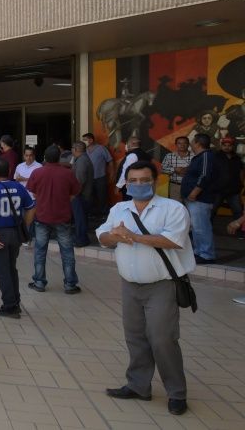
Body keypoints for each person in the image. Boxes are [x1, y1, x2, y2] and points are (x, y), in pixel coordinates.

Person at [97, 161, 194, 417]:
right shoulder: (120, 208)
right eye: (134, 181)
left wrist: (134, 236)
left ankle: (177, 393)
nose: (139, 185)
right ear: (126, 183)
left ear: (155, 180)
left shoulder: (173, 208)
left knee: (163, 340)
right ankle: (138, 385)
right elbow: (103, 236)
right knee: (135, 336)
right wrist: (114, 236)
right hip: (129, 285)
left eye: (144, 180)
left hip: (162, 285)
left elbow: (174, 240)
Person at [0, 159, 35, 318]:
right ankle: (15, 302)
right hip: (15, 233)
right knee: (11, 268)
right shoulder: (18, 187)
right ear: (9, 171)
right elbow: (32, 208)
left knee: (2, 270)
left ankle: (9, 306)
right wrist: (24, 224)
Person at [26, 146, 82, 293]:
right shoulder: (68, 173)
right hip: (63, 217)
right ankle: (70, 284)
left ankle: (39, 282)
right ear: (59, 158)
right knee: (67, 251)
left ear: (44, 157)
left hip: (42, 216)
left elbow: (32, 192)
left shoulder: (37, 172)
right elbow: (75, 192)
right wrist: (64, 200)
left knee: (40, 251)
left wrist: (43, 199)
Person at [182, 133, 218, 264]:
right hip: (194, 199)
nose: (190, 143)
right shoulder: (199, 157)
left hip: (200, 199)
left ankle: (207, 254)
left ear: (197, 143)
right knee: (197, 227)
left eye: (192, 141)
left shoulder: (206, 156)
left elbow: (205, 175)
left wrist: (194, 192)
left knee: (201, 227)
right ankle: (199, 251)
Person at [83, 132, 113, 217]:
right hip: (88, 179)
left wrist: (112, 173)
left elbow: (110, 161)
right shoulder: (83, 150)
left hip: (100, 177)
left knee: (102, 196)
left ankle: (104, 214)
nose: (84, 141)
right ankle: (92, 214)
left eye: (85, 140)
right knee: (90, 197)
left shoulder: (101, 148)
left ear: (91, 140)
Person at [214, 137, 243, 222]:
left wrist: (240, 184)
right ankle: (207, 229)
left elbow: (241, 171)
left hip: (233, 190)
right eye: (224, 145)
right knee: (212, 210)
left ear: (233, 146)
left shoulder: (237, 158)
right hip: (218, 189)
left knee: (238, 211)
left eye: (229, 145)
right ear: (221, 146)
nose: (227, 147)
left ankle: (239, 230)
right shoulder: (215, 156)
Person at [70, 141, 94, 247]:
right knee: (81, 218)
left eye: (72, 148)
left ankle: (81, 239)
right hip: (82, 194)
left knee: (80, 218)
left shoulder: (82, 161)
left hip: (80, 195)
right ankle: (82, 238)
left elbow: (80, 180)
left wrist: (74, 194)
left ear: (76, 149)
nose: (71, 150)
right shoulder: (82, 159)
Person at [161, 137, 192, 201]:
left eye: (185, 143)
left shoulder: (194, 156)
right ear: (176, 145)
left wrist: (187, 170)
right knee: (176, 207)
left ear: (188, 144)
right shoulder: (169, 156)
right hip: (175, 185)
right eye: (179, 143)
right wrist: (174, 170)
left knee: (190, 208)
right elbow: (162, 169)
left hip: (190, 186)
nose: (182, 145)